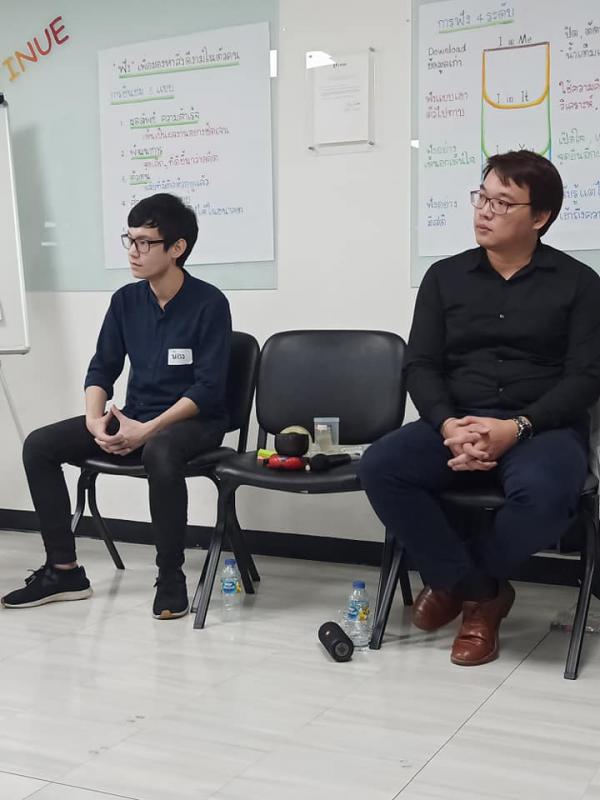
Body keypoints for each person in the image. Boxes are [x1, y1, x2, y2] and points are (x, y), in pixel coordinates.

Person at [359, 150, 600, 666]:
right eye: (482, 197)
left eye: (503, 203)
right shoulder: (444, 277)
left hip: (541, 426)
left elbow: (586, 379)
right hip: (458, 419)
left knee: (545, 494)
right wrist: (449, 425)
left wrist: (517, 427)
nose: (485, 211)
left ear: (541, 217)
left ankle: (465, 587)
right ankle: (478, 591)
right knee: (381, 466)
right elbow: (420, 365)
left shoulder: (580, 284)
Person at [2, 193, 231, 619]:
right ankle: (64, 571)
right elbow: (102, 367)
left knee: (160, 451)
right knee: (39, 445)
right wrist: (95, 420)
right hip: (135, 416)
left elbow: (208, 388)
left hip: (196, 421)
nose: (133, 251)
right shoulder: (126, 301)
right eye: (130, 240)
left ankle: (171, 577)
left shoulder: (209, 303)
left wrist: (147, 431)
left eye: (145, 242)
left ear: (177, 247)